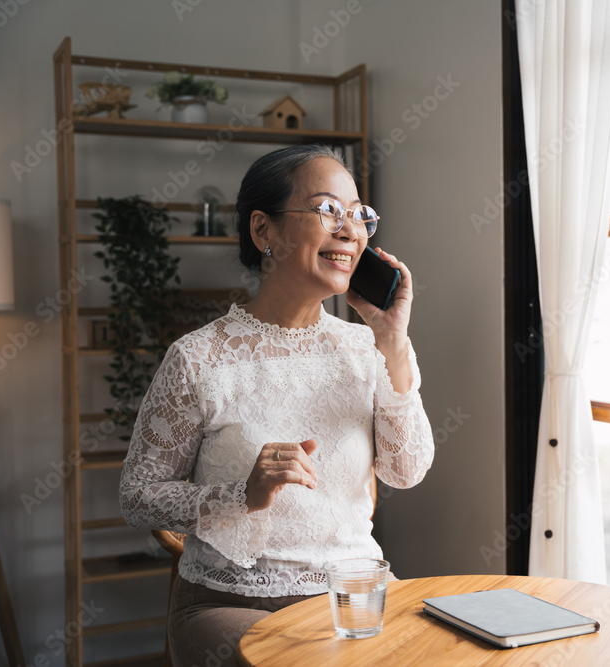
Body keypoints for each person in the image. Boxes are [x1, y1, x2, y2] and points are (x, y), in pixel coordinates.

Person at [118, 144, 434, 667]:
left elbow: (406, 471)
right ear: (263, 231)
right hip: (235, 603)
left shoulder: (367, 348)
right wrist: (241, 494)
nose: (350, 230)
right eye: (329, 209)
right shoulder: (199, 358)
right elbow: (138, 496)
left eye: (359, 215)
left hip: (356, 596)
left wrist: (393, 342)